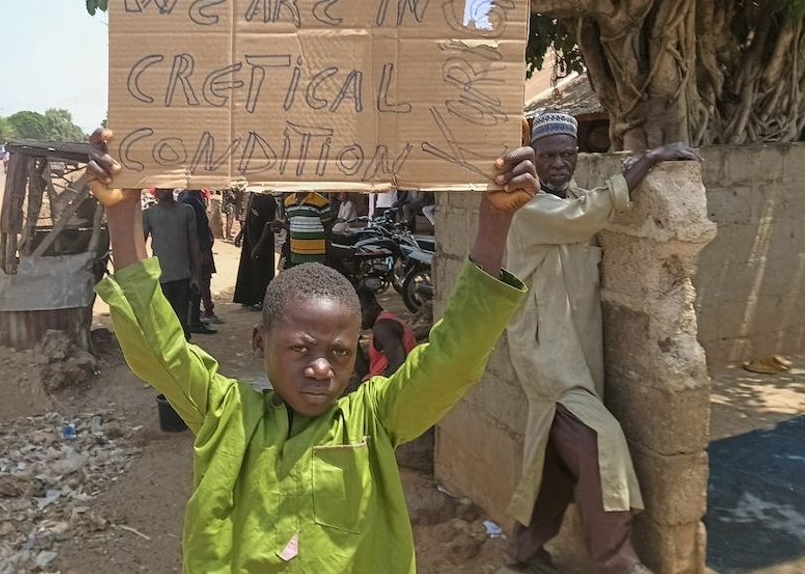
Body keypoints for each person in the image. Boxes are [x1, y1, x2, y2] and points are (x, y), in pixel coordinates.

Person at [86, 126, 537, 572]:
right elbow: (158, 347)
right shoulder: (226, 414)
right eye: (301, 349)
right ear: (261, 342)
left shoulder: (375, 419)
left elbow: (452, 359)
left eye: (338, 353)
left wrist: (496, 225)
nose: (321, 368)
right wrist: (122, 215)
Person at [501, 112, 700, 574]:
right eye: (548, 156)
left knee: (552, 464)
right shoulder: (527, 208)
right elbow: (585, 214)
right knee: (599, 441)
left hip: (576, 360)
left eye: (567, 155)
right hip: (547, 360)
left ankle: (521, 554)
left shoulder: (568, 199)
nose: (558, 164)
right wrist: (648, 159)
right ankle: (615, 560)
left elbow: (584, 205)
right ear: (532, 158)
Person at [142, 188, 207, 339]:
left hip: (182, 275)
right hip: (160, 277)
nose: (159, 191)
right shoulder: (148, 214)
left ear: (171, 188)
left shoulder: (186, 211)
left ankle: (183, 356)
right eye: (157, 188)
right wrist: (144, 276)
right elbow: (140, 244)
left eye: (164, 187)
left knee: (182, 324)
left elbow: (194, 243)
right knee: (163, 323)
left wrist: (196, 275)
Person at [179, 189, 222, 327]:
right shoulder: (189, 199)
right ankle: (201, 313)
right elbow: (196, 228)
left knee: (202, 278)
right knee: (201, 279)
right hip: (198, 247)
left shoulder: (192, 197)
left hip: (199, 245)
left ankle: (201, 311)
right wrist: (203, 247)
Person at [232, 193, 278, 312]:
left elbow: (269, 225)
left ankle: (261, 300)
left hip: (263, 242)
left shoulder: (268, 200)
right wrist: (241, 233)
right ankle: (248, 299)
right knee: (247, 269)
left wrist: (259, 246)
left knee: (262, 271)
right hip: (250, 238)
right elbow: (248, 217)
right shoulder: (254, 196)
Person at [281, 191, 333, 267]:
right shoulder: (288, 202)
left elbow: (328, 228)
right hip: (296, 255)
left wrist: (327, 252)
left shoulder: (322, 202)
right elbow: (293, 226)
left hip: (316, 256)